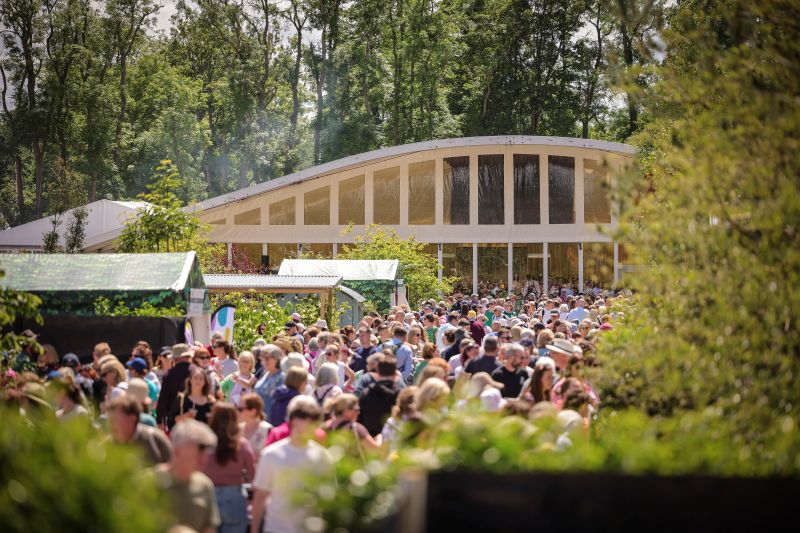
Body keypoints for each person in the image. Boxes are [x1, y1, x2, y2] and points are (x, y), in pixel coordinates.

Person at [251, 396, 332, 533]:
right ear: (292, 419)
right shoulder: (271, 454)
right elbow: (260, 496)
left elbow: (328, 498)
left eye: (314, 418)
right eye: (303, 416)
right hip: (275, 528)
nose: (308, 422)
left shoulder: (323, 457)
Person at [155, 419, 220, 533]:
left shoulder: (204, 485)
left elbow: (209, 528)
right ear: (177, 450)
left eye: (206, 451)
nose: (204, 458)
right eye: (200, 450)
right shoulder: (148, 482)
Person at [203, 403, 256, 533]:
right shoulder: (242, 444)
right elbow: (254, 474)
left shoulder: (204, 444)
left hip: (207, 497)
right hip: (234, 499)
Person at [107, 395, 173, 464]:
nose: (111, 425)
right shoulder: (107, 446)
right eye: (110, 421)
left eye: (115, 420)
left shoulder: (154, 438)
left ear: (132, 418)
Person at [358, 355, 402, 436]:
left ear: (378, 372)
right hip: (394, 439)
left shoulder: (366, 393)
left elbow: (359, 419)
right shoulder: (401, 395)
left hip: (370, 441)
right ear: (395, 373)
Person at [156, 343, 193, 427]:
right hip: (195, 416)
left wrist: (159, 421)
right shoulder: (197, 371)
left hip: (175, 419)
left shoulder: (169, 375)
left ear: (175, 358)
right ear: (188, 357)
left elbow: (163, 399)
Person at [254, 344, 284, 419]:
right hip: (259, 419)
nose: (263, 362)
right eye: (262, 358)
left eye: (267, 358)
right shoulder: (265, 374)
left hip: (273, 419)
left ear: (277, 358)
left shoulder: (282, 377)